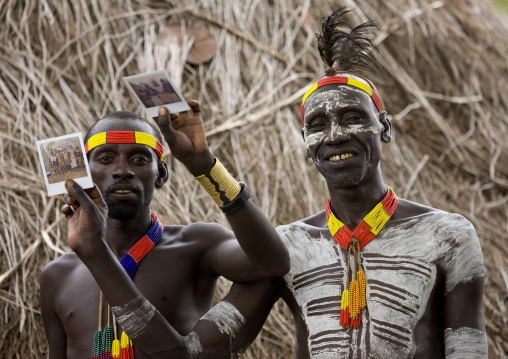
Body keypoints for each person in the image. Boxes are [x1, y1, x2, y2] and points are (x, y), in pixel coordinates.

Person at [52, 8, 488, 359]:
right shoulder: (291, 247)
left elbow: (468, 348)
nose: (335, 134)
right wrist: (204, 167)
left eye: (354, 117)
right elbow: (188, 355)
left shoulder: (446, 235)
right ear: (306, 144)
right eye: (318, 124)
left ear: (385, 129)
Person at [39, 101, 290, 359]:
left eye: (139, 159)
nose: (122, 171)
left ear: (160, 174)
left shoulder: (196, 245)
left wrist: (205, 167)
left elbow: (275, 264)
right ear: (86, 175)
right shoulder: (57, 276)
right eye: (105, 159)